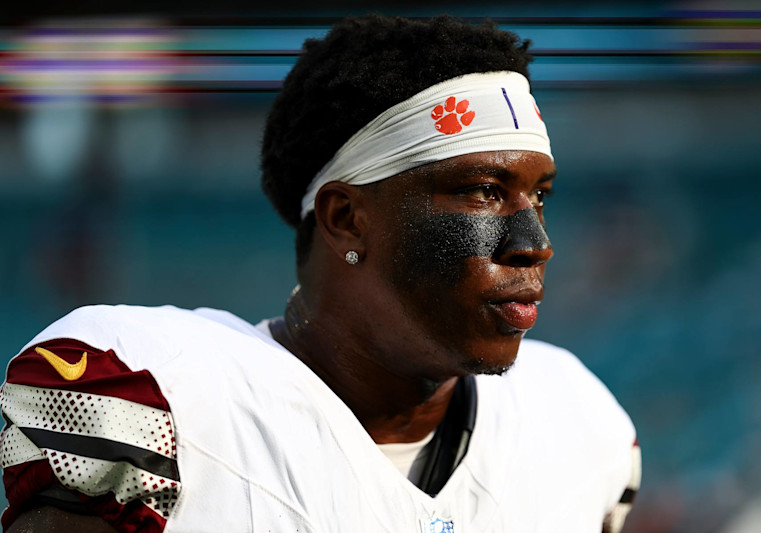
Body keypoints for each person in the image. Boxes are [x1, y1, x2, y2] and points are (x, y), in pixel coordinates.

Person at [0, 14, 640, 532]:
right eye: (482, 191)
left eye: (539, 196)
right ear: (346, 219)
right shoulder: (157, 402)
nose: (535, 244)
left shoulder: (577, 424)